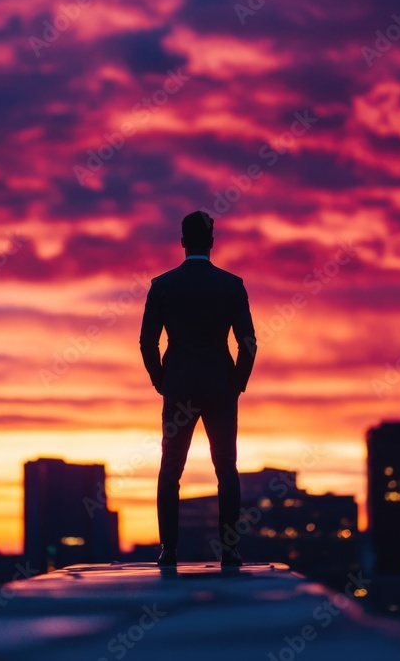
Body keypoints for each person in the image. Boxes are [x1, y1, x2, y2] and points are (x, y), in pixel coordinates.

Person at [139, 210, 257, 567]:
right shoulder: (231, 285)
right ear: (211, 241)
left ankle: (168, 550)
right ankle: (229, 550)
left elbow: (148, 343)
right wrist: (237, 382)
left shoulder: (162, 286)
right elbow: (248, 342)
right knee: (226, 468)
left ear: (183, 242)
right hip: (221, 385)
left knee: (171, 468)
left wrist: (162, 379)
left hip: (178, 386)